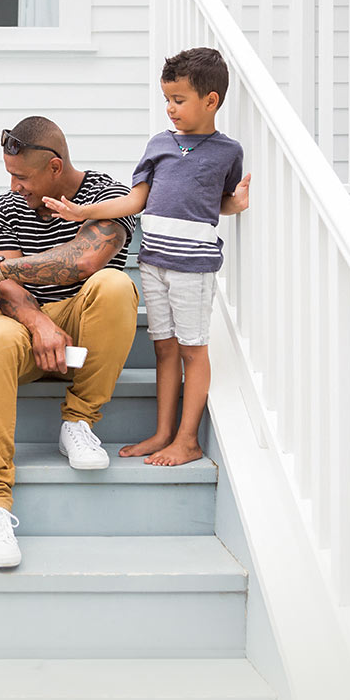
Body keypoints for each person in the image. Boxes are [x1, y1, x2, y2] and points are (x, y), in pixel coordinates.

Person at [44, 47, 251, 466]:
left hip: (193, 266)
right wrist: (84, 211)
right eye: (167, 100)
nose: (170, 109)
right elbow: (135, 199)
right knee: (164, 349)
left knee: (193, 349)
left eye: (179, 100)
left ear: (211, 101)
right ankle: (162, 432)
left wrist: (237, 204)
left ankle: (188, 439)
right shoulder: (159, 144)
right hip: (154, 263)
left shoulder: (227, 152)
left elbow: (217, 202)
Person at [0, 117, 140, 568]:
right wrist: (38, 323)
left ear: (55, 167)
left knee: (114, 286)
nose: (12, 186)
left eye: (22, 177)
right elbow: (7, 292)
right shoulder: (4, 208)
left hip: (83, 330)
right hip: (25, 328)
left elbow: (83, 261)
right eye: (9, 175)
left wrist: (1, 269)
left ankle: (78, 422)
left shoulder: (106, 195)